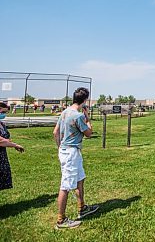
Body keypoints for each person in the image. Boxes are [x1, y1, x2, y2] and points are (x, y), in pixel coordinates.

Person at [53, 87, 98, 229]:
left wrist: (60, 147)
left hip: (67, 150)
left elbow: (55, 132)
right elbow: (89, 133)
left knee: (80, 179)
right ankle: (61, 220)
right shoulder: (78, 116)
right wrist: (88, 118)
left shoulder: (65, 112)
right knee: (65, 186)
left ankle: (82, 208)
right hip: (71, 153)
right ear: (85, 100)